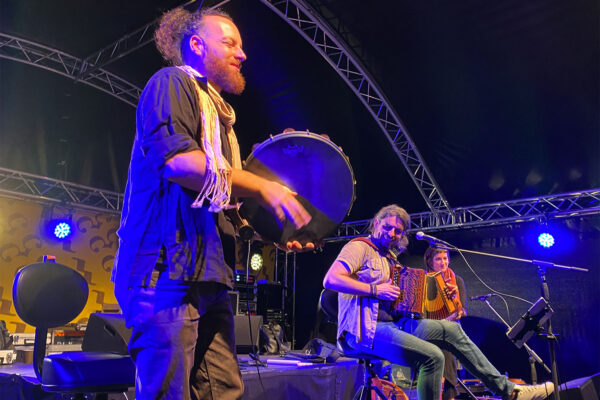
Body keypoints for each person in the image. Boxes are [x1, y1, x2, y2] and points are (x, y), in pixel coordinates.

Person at [111, 7, 312, 400]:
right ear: (197, 45)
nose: (243, 54)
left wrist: (274, 232)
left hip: (209, 274)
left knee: (223, 391)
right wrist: (263, 186)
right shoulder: (170, 83)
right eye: (230, 43)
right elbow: (179, 163)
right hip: (164, 271)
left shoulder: (221, 120)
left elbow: (221, 202)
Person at [323, 204, 554, 400]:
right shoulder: (359, 247)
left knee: (452, 329)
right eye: (387, 227)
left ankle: (508, 392)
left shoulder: (390, 258)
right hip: (363, 331)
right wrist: (375, 289)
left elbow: (406, 300)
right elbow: (331, 279)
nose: (392, 233)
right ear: (376, 223)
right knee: (433, 357)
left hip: (395, 324)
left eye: (397, 231)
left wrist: (446, 296)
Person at [424, 246, 467, 400]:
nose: (443, 262)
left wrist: (456, 302)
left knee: (447, 361)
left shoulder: (458, 281)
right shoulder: (423, 281)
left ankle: (449, 396)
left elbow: (463, 311)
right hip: (428, 330)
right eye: (438, 259)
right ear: (430, 261)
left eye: (445, 258)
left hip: (449, 330)